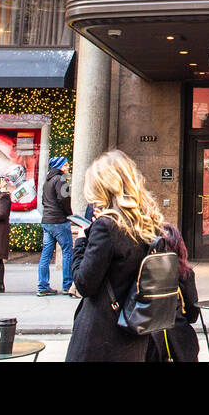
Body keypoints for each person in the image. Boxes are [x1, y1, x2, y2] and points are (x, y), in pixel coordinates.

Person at [66, 150, 162, 362]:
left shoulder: (107, 226)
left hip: (101, 334)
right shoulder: (147, 225)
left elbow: (84, 283)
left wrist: (81, 241)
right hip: (132, 330)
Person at [146, 223, 200, 362]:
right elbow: (192, 314)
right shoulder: (184, 273)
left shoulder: (142, 273)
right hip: (179, 339)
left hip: (148, 339)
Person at [38, 156, 74, 297]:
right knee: (67, 252)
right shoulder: (61, 180)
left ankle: (42, 285)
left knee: (45, 255)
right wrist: (69, 214)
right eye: (65, 165)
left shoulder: (47, 181)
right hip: (59, 221)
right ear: (59, 166)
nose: (67, 168)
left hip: (47, 220)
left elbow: (43, 201)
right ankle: (67, 285)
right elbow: (64, 199)